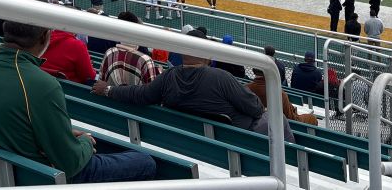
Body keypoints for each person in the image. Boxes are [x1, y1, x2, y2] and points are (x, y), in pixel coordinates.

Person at [0, 17, 156, 186]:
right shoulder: (43, 83)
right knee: (145, 162)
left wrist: (62, 132)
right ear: (46, 36)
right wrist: (83, 142)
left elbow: (6, 119)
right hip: (35, 176)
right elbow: (70, 163)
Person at [92, 29, 292, 141]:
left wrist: (108, 89)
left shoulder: (169, 77)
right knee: (279, 118)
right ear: (206, 53)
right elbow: (255, 109)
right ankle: (293, 162)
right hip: (237, 138)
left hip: (194, 139)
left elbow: (140, 95)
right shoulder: (221, 77)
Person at [99, 12, 163, 86]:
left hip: (111, 96)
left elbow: (101, 82)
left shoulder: (109, 53)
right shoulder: (145, 60)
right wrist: (159, 72)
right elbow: (151, 92)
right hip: (133, 97)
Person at [248, 71, 318, 125]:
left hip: (256, 124)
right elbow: (291, 119)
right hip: (281, 127)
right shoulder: (279, 93)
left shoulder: (246, 89)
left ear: (254, 71)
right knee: (312, 118)